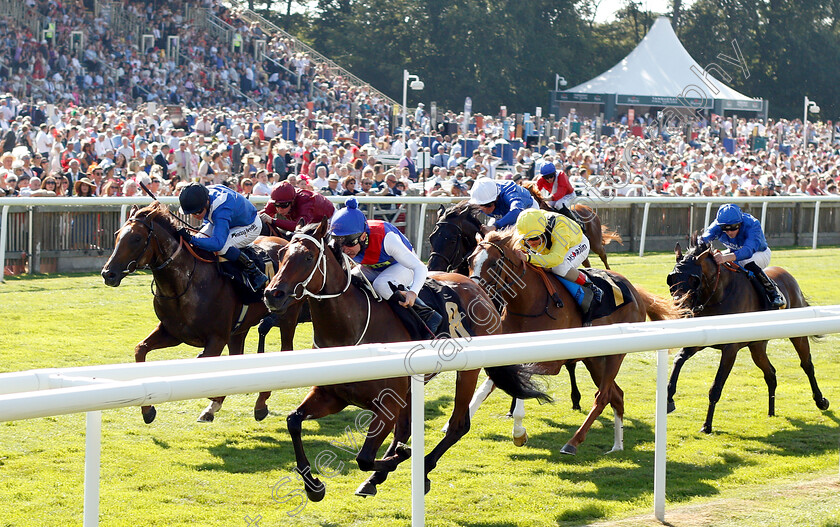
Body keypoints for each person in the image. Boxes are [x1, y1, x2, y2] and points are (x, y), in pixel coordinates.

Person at [328, 198, 442, 337]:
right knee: (348, 281)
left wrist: (413, 292)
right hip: (373, 267)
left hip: (402, 266)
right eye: (339, 244)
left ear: (363, 236)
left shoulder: (386, 238)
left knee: (381, 284)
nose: (344, 250)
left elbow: (420, 267)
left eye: (349, 243)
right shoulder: (346, 241)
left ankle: (427, 314)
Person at [178, 182, 268, 292]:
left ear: (206, 202)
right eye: (191, 214)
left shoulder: (221, 208)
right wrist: (195, 237)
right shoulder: (205, 194)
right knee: (200, 239)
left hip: (250, 225)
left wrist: (192, 239)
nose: (195, 216)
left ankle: (255, 272)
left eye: (198, 212)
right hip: (230, 220)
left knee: (222, 247)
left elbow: (217, 244)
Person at [514, 208, 603, 317]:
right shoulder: (527, 226)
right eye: (526, 239)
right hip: (553, 248)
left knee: (559, 267)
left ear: (544, 230)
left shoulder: (560, 227)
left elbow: (556, 259)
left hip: (577, 245)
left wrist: (528, 258)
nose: (530, 242)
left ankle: (591, 286)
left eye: (534, 238)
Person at [700, 203, 785, 309]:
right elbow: (702, 240)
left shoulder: (752, 224)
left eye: (733, 227)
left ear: (740, 223)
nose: (729, 232)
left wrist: (725, 258)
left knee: (745, 262)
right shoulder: (718, 224)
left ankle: (773, 292)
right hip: (734, 251)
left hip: (758, 253)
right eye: (725, 228)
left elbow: (747, 251)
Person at [259, 181, 335, 234]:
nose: (279, 209)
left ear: (292, 201)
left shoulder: (306, 201)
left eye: (283, 205)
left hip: (330, 220)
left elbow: (298, 227)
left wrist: (273, 221)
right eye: (276, 205)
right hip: (309, 221)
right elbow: (261, 215)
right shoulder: (277, 199)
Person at [468, 177, 539, 230]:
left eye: (488, 205)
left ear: (496, 198)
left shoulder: (509, 192)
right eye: (480, 206)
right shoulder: (477, 200)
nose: (485, 210)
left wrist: (495, 226)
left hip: (526, 210)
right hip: (502, 214)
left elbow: (517, 210)